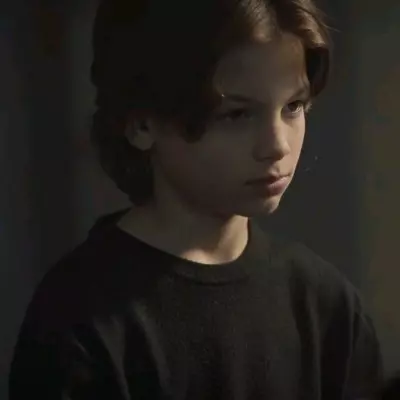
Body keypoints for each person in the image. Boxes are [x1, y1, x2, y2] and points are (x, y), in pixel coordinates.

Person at [9, 0, 383, 399]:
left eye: (293, 106)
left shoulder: (326, 306)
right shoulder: (80, 317)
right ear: (142, 123)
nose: (277, 146)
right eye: (237, 114)